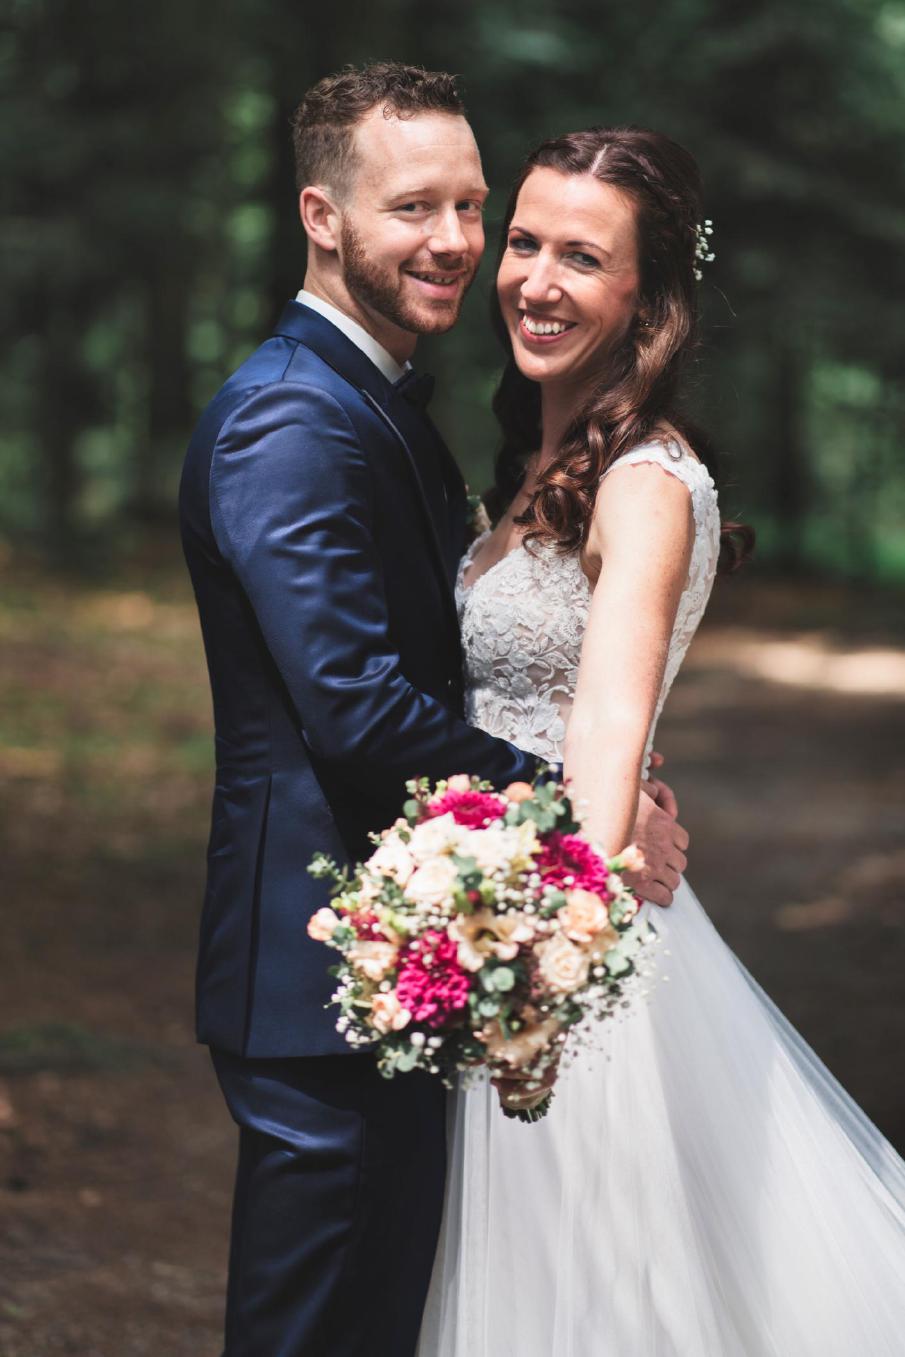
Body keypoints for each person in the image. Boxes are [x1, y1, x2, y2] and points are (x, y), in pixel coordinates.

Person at [179, 67, 686, 1357]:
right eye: (419, 208)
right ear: (321, 215)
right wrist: (577, 802)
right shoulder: (290, 418)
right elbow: (353, 709)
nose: (458, 243)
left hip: (418, 950)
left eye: (472, 205)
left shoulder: (386, 404)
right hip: (322, 966)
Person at [418, 126, 905, 1356]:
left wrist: (548, 952)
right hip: (494, 892)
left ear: (647, 296)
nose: (532, 278)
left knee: (583, 1289)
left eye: (580, 257)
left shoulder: (640, 480)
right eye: (521, 241)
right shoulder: (535, 457)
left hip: (559, 923)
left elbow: (605, 730)